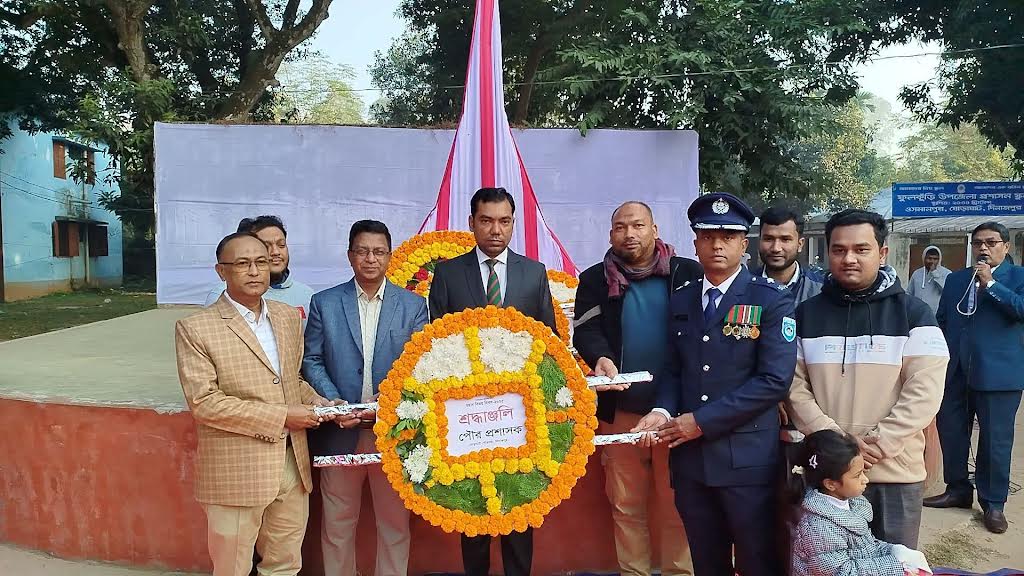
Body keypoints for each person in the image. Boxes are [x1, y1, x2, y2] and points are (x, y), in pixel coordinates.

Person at [633, 192, 797, 576]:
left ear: (744, 244)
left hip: (747, 463)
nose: (717, 245)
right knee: (707, 563)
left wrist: (701, 421)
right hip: (691, 463)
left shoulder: (769, 299)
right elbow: (674, 368)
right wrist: (661, 411)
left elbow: (773, 381)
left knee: (758, 562)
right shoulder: (683, 299)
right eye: (708, 236)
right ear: (695, 243)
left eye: (728, 236)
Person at [175, 232, 335, 576]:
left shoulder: (286, 316)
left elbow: (292, 380)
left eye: (261, 262)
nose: (254, 271)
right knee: (232, 568)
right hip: (237, 469)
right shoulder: (196, 328)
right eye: (242, 263)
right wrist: (283, 416)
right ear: (221, 271)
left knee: (284, 565)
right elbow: (205, 403)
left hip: (292, 463)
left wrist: (322, 403)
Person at [786, 209, 948, 548]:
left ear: (882, 253)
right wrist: (836, 442)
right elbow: (794, 387)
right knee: (827, 564)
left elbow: (925, 391)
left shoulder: (914, 314)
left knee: (892, 562)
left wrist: (880, 444)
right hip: (829, 474)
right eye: (839, 250)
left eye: (861, 249)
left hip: (893, 470)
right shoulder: (806, 315)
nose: (849, 258)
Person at [428, 187, 557, 576]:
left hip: (519, 414)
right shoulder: (449, 274)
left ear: (514, 224)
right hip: (466, 414)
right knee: (474, 505)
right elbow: (435, 344)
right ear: (472, 223)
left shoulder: (533, 273)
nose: (495, 230)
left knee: (518, 504)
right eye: (486, 221)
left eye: (504, 221)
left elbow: (548, 342)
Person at [573, 201, 700, 576]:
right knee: (626, 506)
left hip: (676, 413)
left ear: (655, 230)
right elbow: (586, 330)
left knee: (678, 506)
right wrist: (600, 357)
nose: (629, 234)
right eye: (621, 227)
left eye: (638, 225)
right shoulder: (595, 279)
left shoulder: (687, 273)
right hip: (620, 412)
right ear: (611, 234)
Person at [302, 220, 428, 575]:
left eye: (378, 252)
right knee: (338, 523)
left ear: (389, 256)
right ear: (350, 255)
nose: (370, 259)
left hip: (392, 432)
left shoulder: (413, 306)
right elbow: (311, 359)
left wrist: (386, 401)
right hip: (339, 428)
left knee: (394, 523)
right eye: (362, 251)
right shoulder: (325, 303)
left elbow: (419, 365)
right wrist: (334, 403)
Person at [925, 222, 1024, 534]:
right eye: (978, 242)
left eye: (991, 242)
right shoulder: (956, 279)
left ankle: (993, 503)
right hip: (956, 371)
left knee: (995, 440)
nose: (983, 248)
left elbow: (1021, 309)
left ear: (1006, 246)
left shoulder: (1018, 277)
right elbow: (942, 319)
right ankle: (957, 489)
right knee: (952, 432)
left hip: (999, 374)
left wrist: (990, 283)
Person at [790, 430, 932, 576]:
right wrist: (895, 565)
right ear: (831, 484)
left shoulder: (850, 504)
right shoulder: (819, 528)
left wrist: (895, 551)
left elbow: (866, 549)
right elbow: (842, 572)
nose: (865, 480)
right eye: (857, 475)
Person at [204, 216, 315, 321]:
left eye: (281, 245)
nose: (276, 252)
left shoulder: (307, 294)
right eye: (266, 246)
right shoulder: (223, 295)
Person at [755, 206, 822, 304]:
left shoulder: (819, 289)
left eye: (785, 239)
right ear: (759, 241)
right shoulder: (741, 287)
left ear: (800, 244)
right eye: (768, 239)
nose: (776, 248)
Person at [907, 246, 951, 315]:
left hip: (937, 314)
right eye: (929, 258)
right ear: (924, 258)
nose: (932, 261)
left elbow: (947, 291)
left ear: (939, 259)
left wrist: (934, 273)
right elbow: (909, 293)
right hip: (918, 313)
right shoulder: (917, 273)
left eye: (935, 259)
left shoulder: (946, 273)